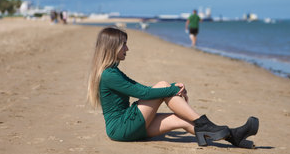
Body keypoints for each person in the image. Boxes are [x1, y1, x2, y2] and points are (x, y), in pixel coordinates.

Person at [87, 27, 259, 147]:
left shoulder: (112, 72)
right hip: (121, 127)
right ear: (112, 47)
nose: (127, 48)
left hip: (123, 128)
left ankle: (233, 136)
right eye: (123, 44)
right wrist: (172, 89)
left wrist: (170, 88)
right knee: (162, 85)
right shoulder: (109, 75)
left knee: (181, 120)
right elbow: (143, 93)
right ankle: (203, 122)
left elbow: (140, 88)